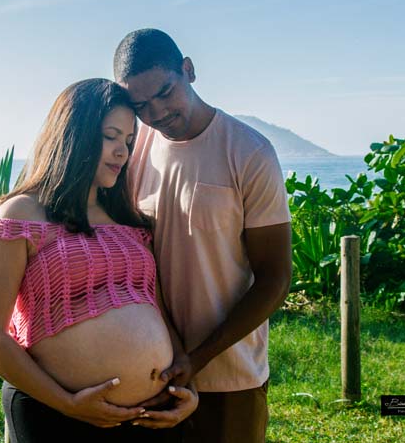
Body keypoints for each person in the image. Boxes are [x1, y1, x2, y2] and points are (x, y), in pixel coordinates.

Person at [0, 78, 197, 443]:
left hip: (149, 418)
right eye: (110, 136)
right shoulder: (22, 214)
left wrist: (184, 388)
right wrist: (68, 403)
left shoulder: (127, 221)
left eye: (128, 141)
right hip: (56, 417)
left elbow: (152, 308)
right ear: (73, 134)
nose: (123, 152)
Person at [113, 29, 293, 443]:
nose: (156, 113)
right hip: (149, 374)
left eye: (165, 93)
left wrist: (197, 358)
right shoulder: (133, 153)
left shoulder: (250, 152)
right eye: (141, 106)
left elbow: (275, 278)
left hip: (231, 377)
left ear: (189, 71)